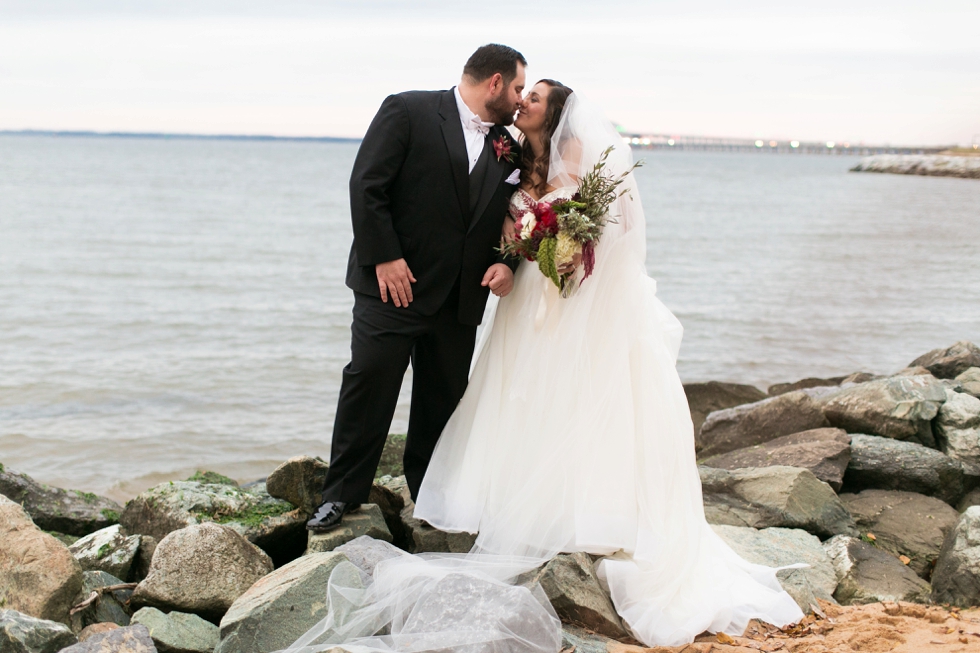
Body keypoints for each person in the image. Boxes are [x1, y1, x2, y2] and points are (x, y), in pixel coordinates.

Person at [411, 80, 806, 645]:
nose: (523, 102)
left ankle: (579, 508)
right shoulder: (516, 160)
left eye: (535, 97)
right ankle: (510, 496)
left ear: (559, 114)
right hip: (526, 301)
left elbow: (611, 235)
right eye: (524, 93)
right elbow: (511, 230)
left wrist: (569, 256)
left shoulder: (586, 163)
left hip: (574, 303)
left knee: (574, 392)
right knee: (520, 393)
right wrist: (511, 260)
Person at [306, 44, 526, 532]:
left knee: (442, 401)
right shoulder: (407, 110)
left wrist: (507, 264)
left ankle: (432, 497)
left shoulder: (509, 147)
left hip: (460, 298)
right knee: (369, 383)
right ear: (493, 82)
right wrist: (384, 256)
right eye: (516, 88)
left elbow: (515, 216)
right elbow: (367, 185)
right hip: (393, 288)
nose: (519, 98)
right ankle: (342, 496)